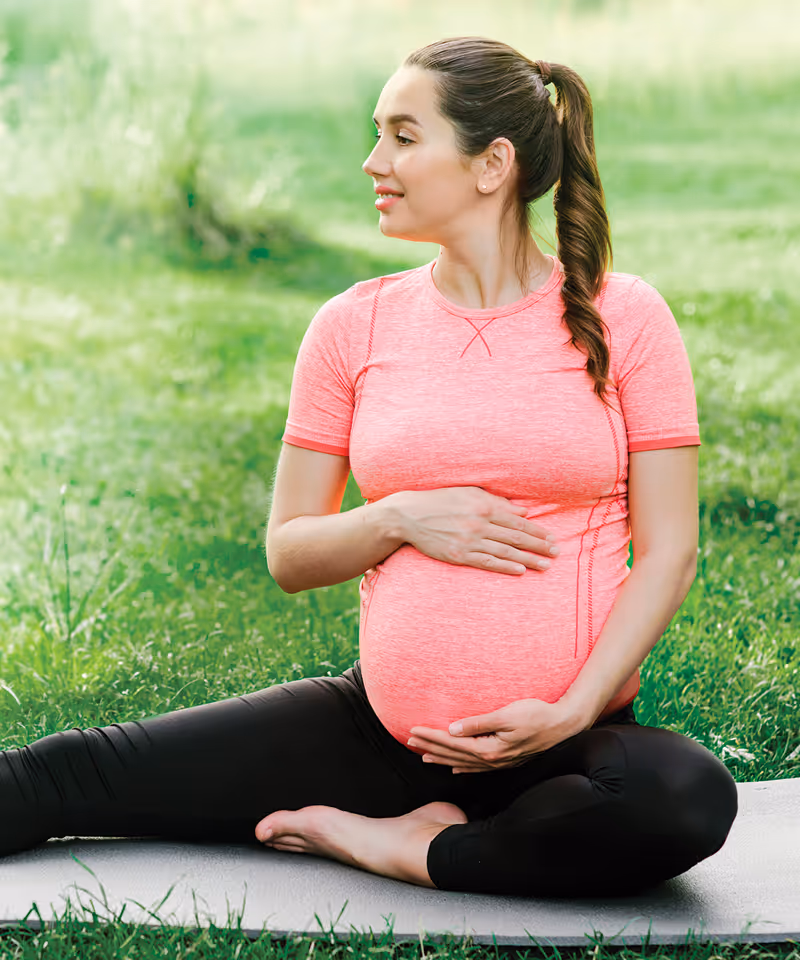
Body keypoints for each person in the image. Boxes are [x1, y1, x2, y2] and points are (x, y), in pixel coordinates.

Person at [0, 37, 738, 899]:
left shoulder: (627, 318)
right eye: (377, 135)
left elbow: (669, 552)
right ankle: (439, 830)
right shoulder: (353, 327)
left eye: (402, 136)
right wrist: (397, 517)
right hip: (375, 738)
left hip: (566, 747)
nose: (372, 161)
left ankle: (407, 850)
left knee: (684, 799)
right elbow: (290, 551)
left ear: (491, 164)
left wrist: (572, 710)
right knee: (63, 775)